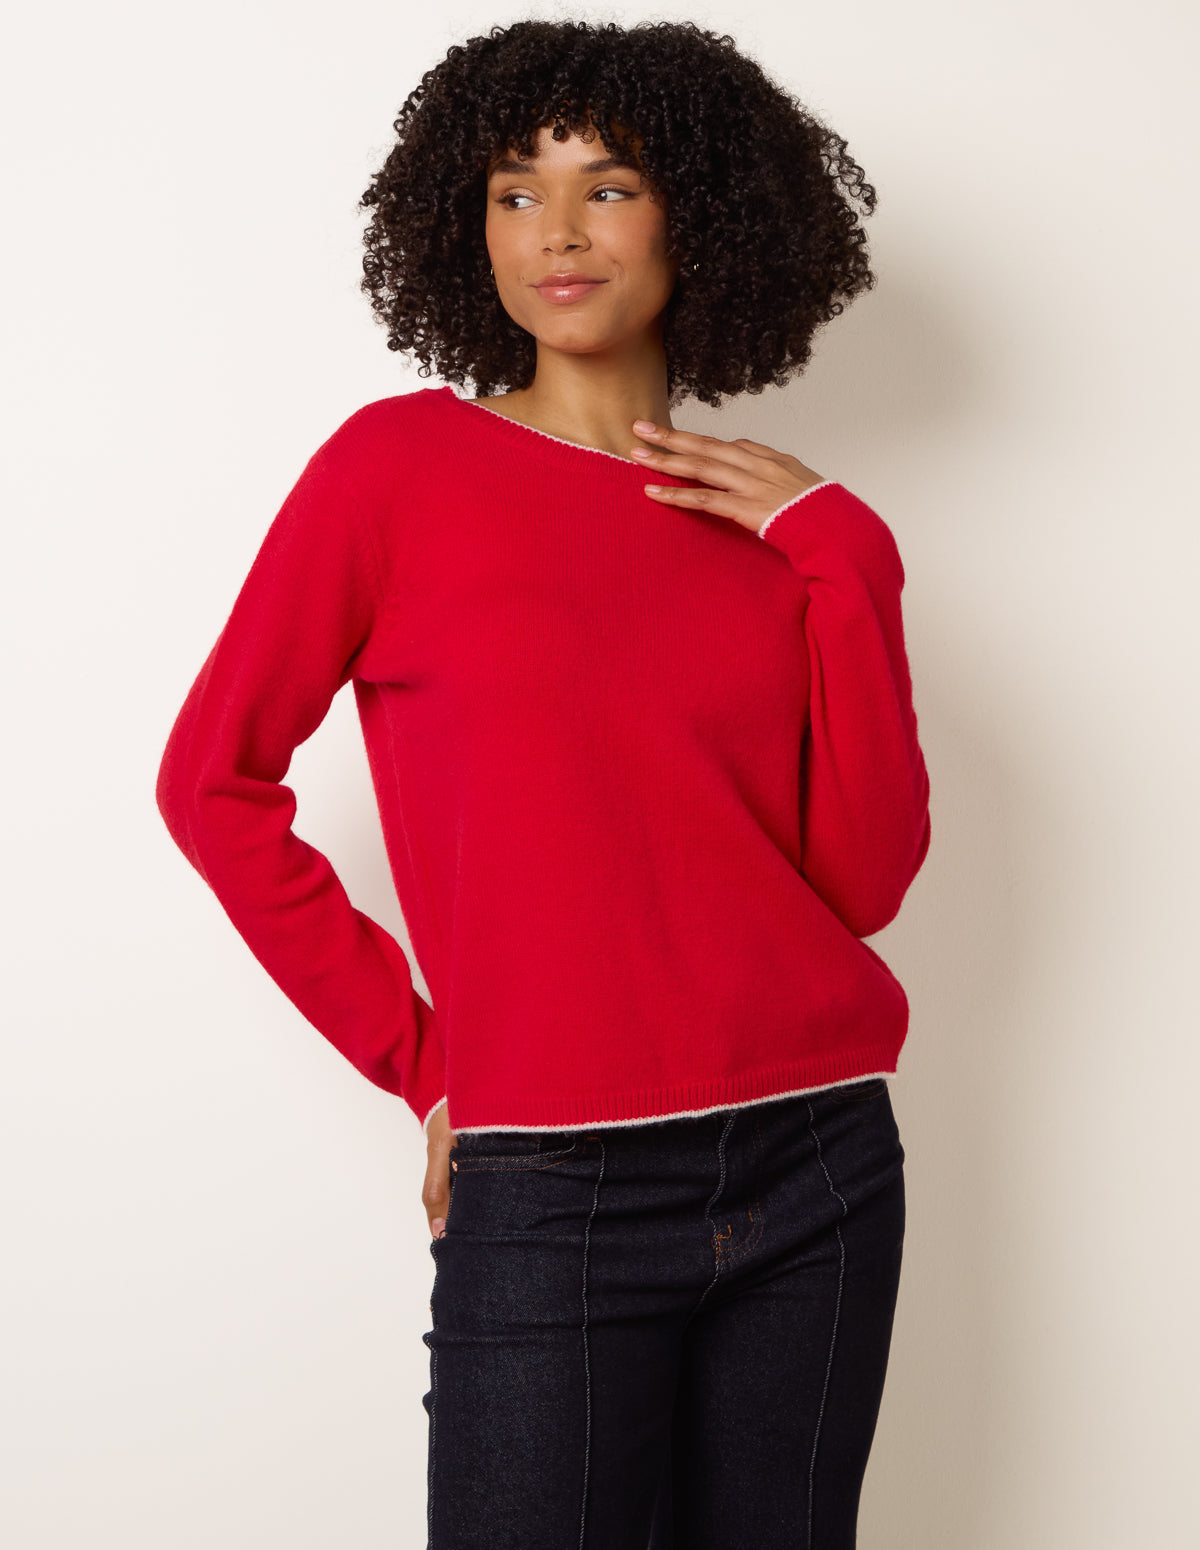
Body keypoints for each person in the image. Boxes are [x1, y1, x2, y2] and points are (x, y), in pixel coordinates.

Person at [155, 17, 931, 1549]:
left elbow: (861, 883)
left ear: (701, 217)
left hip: (822, 1156)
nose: (557, 231)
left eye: (608, 187)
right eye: (516, 192)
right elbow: (212, 782)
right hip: (553, 1181)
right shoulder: (392, 472)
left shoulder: (777, 532)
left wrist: (850, 558)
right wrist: (426, 1058)